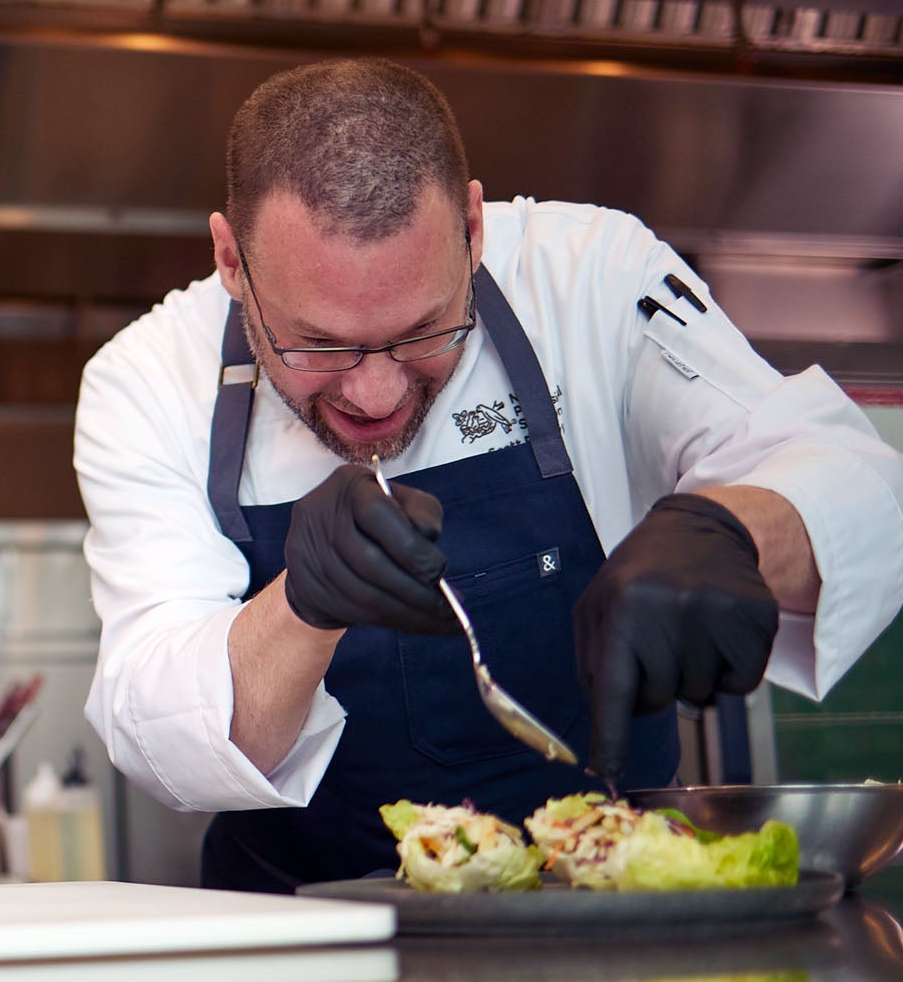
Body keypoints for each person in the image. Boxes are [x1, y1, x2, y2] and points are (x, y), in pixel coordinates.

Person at [74, 58, 903, 893]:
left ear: (474, 229)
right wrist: (300, 606)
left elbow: (862, 484)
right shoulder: (146, 382)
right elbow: (157, 730)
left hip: (618, 922)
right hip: (304, 939)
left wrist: (734, 532)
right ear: (229, 257)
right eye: (317, 344)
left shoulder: (593, 277)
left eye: (425, 331)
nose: (375, 392)